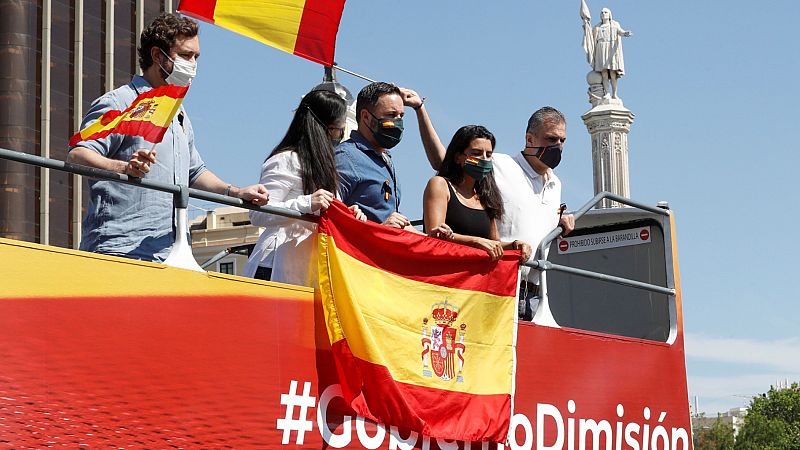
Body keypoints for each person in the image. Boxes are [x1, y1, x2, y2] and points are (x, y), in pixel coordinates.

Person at [67, 13, 268, 262]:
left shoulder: (179, 113)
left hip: (171, 254)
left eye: (196, 57)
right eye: (185, 55)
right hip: (120, 249)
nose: (193, 64)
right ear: (157, 56)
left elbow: (195, 172)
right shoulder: (119, 102)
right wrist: (123, 167)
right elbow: (78, 155)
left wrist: (236, 192)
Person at [243, 90, 366, 286]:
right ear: (323, 128)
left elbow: (327, 207)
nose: (340, 136)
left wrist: (348, 213)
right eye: (337, 130)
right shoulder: (286, 160)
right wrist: (306, 203)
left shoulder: (324, 166)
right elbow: (258, 215)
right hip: (275, 267)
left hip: (308, 271)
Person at [492, 107, 576, 320]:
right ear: (530, 139)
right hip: (499, 285)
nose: (558, 146)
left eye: (562, 140)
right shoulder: (499, 165)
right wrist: (421, 110)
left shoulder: (555, 183)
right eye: (551, 138)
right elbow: (447, 167)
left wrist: (560, 222)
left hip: (534, 292)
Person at [335, 82, 443, 231]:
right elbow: (328, 217)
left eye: (401, 116)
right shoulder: (346, 157)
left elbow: (395, 222)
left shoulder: (385, 159)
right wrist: (381, 228)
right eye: (391, 115)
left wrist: (434, 241)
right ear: (366, 117)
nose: (397, 122)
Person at [423, 125, 531, 263]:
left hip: (475, 281)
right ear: (457, 157)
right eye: (476, 153)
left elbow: (494, 244)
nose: (484, 159)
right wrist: (475, 242)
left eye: (489, 155)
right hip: (444, 274)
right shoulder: (440, 185)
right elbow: (435, 234)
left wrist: (515, 245)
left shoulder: (486, 196)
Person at [585, 8, 632, 99]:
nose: (603, 14)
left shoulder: (614, 24)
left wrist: (625, 33)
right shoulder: (597, 27)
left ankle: (614, 94)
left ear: (609, 14)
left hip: (611, 49)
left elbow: (620, 31)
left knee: (613, 74)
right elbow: (590, 37)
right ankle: (607, 93)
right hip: (601, 48)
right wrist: (586, 25)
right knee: (604, 74)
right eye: (602, 12)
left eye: (605, 12)